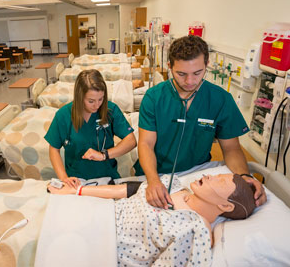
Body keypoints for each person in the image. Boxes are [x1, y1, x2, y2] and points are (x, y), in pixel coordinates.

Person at [136, 35, 266, 209]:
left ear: (207, 65)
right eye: (181, 74)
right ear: (170, 67)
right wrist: (153, 181)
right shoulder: (154, 97)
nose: (190, 81)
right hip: (155, 173)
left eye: (197, 73)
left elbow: (231, 149)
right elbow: (145, 144)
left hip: (197, 175)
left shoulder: (220, 100)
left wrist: (244, 177)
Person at [48, 173, 256, 266]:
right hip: (92, 213)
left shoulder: (195, 232)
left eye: (219, 181)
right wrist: (78, 191)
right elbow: (126, 190)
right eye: (216, 175)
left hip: (97, 246)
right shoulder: (173, 184)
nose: (210, 176)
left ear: (226, 206)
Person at [45, 69, 137, 188]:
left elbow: (131, 141)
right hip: (77, 181)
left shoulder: (111, 110)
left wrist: (104, 155)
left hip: (108, 178)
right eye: (91, 101)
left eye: (101, 99)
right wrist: (63, 178)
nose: (97, 105)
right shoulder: (63, 115)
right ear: (79, 97)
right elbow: (54, 148)